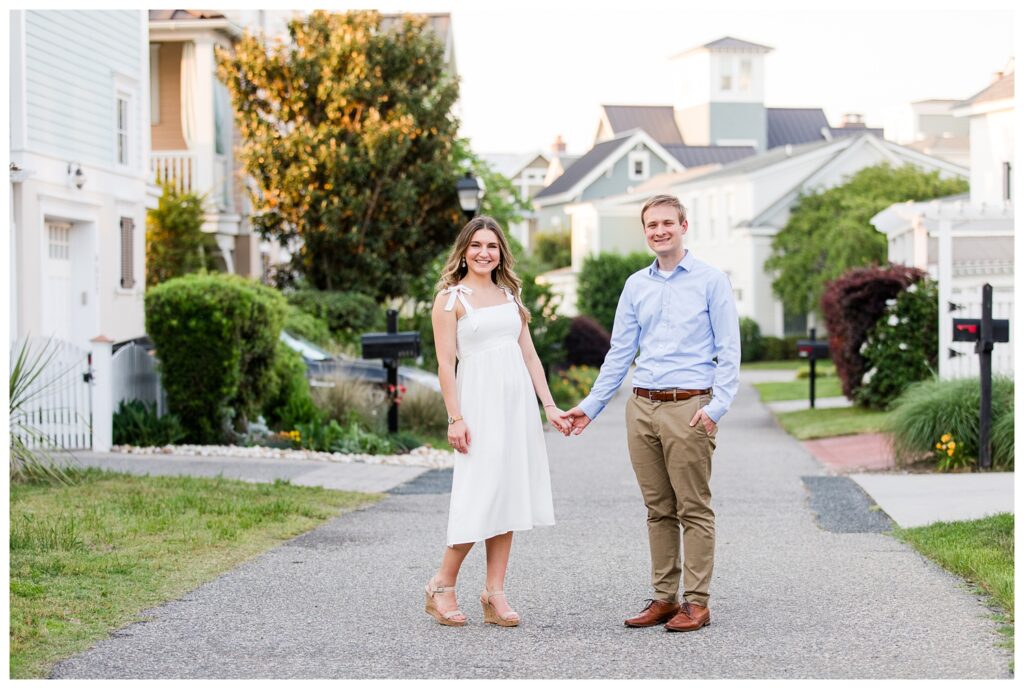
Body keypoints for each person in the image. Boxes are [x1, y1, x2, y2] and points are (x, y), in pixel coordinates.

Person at [562, 194, 740, 632]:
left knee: (693, 508)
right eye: (651, 225)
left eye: (666, 223)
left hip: (690, 407)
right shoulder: (636, 285)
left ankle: (696, 603)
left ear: (683, 225)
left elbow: (729, 351)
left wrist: (716, 407)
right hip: (641, 406)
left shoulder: (710, 280)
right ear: (645, 232)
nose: (659, 231)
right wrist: (591, 406)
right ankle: (664, 598)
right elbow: (620, 353)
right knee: (658, 508)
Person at [424, 215, 570, 628]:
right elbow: (445, 365)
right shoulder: (450, 300)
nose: (484, 253)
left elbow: (529, 356)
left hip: (516, 406)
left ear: (501, 251)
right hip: (477, 405)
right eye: (476, 246)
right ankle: (441, 585)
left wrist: (550, 406)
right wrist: (455, 417)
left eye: (491, 246)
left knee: (507, 494)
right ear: (464, 252)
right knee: (480, 494)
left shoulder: (510, 295)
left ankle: (495, 592)